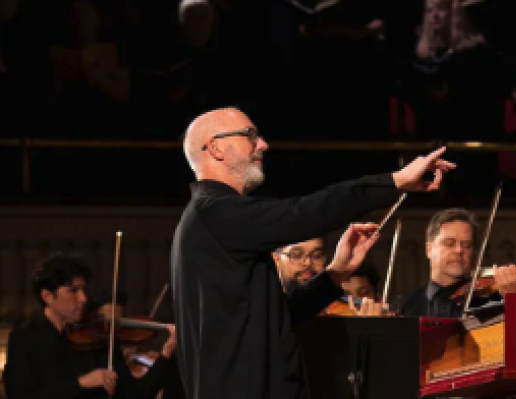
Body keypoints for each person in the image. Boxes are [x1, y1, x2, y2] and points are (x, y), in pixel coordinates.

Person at [171, 107, 455, 399]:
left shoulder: (213, 218)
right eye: (250, 135)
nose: (263, 145)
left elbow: (278, 317)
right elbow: (303, 213)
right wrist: (394, 181)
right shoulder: (215, 212)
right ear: (216, 147)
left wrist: (335, 274)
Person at [2, 253, 175, 399]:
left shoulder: (99, 336)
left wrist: (166, 353)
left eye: (83, 289)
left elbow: (135, 395)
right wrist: (82, 383)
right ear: (47, 296)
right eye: (73, 290)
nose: (83, 298)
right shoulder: (24, 338)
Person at [396, 208, 516, 318]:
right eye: (449, 243)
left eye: (466, 245)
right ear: (429, 250)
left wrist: (515, 301)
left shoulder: (494, 302)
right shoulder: (403, 307)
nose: (459, 250)